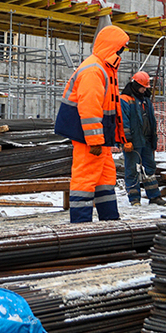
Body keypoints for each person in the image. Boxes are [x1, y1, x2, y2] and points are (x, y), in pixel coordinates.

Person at [54, 25, 130, 223]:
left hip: (98, 137)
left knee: (105, 178)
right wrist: (94, 139)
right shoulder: (94, 70)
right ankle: (81, 225)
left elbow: (109, 107)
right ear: (113, 47)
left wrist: (113, 137)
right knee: (85, 178)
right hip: (88, 137)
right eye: (121, 48)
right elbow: (89, 108)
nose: (121, 53)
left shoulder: (103, 68)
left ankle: (110, 220)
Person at [121, 71, 165, 206]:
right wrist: (126, 140)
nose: (145, 89)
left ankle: (154, 196)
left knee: (149, 168)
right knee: (132, 169)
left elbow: (151, 120)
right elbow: (123, 121)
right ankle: (134, 198)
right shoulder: (125, 99)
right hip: (133, 141)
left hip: (146, 140)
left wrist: (153, 138)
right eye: (143, 87)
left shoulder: (145, 99)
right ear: (136, 85)